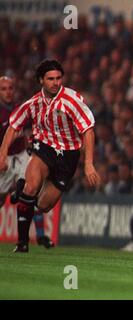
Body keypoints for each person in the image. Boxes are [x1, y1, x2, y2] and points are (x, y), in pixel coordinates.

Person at [0, 59, 101, 252]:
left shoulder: (71, 101)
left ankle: (21, 191)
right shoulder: (34, 103)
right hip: (43, 147)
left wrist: (88, 164)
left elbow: (88, 130)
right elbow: (14, 126)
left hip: (68, 156)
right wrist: (2, 154)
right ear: (41, 81)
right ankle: (22, 243)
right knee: (32, 187)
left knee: (44, 205)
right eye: (50, 79)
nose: (55, 82)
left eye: (58, 78)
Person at [0, 76, 54, 248]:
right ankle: (17, 189)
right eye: (4, 89)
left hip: (22, 155)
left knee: (32, 191)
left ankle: (39, 236)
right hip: (4, 158)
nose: (8, 92)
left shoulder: (20, 108)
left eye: (11, 88)